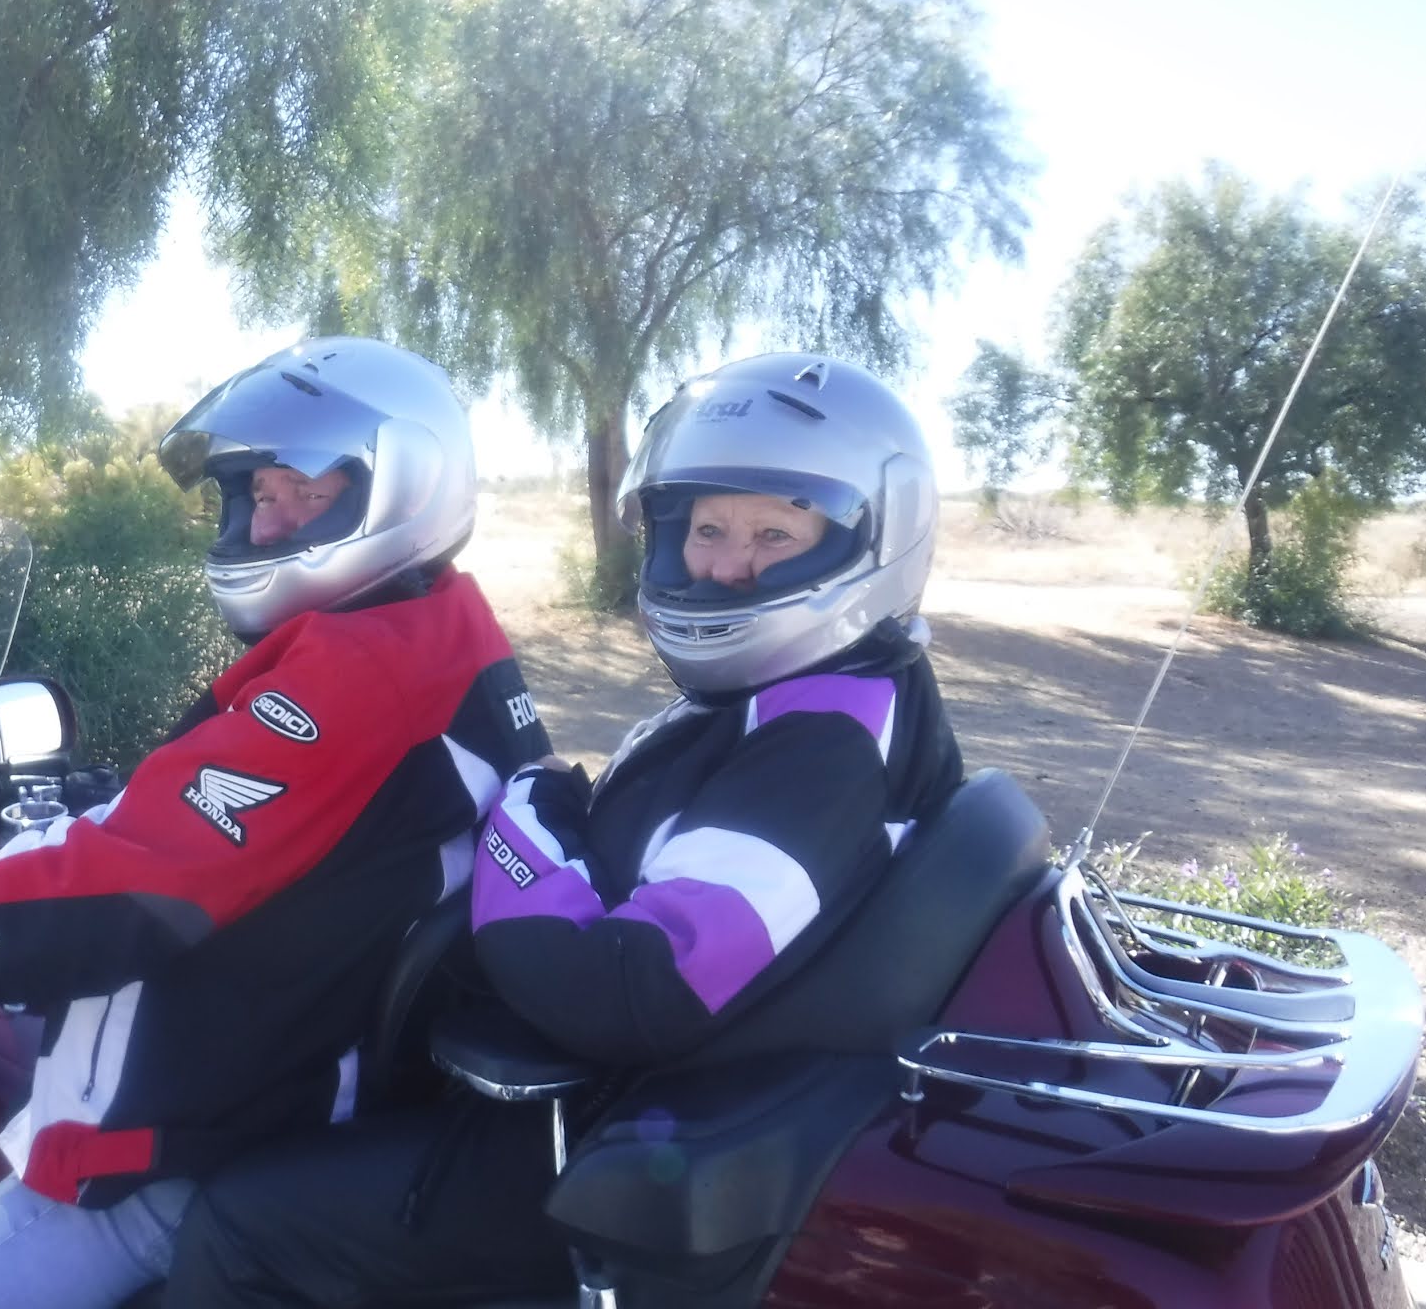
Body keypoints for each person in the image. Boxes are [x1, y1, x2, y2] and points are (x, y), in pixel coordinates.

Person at [0, 336, 552, 1309]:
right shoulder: (446, 633)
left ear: (406, 486)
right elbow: (245, 833)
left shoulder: (360, 678)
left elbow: (118, 893)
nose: (266, 521)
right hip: (312, 1094)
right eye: (257, 493)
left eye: (306, 492)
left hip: (198, 1147)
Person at [161, 352, 965, 1307]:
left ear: (871, 541)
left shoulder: (824, 744)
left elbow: (626, 984)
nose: (726, 564)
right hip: (648, 1107)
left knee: (240, 1221)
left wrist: (526, 816)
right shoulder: (799, 699)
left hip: (603, 1142)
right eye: (706, 529)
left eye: (775, 533)